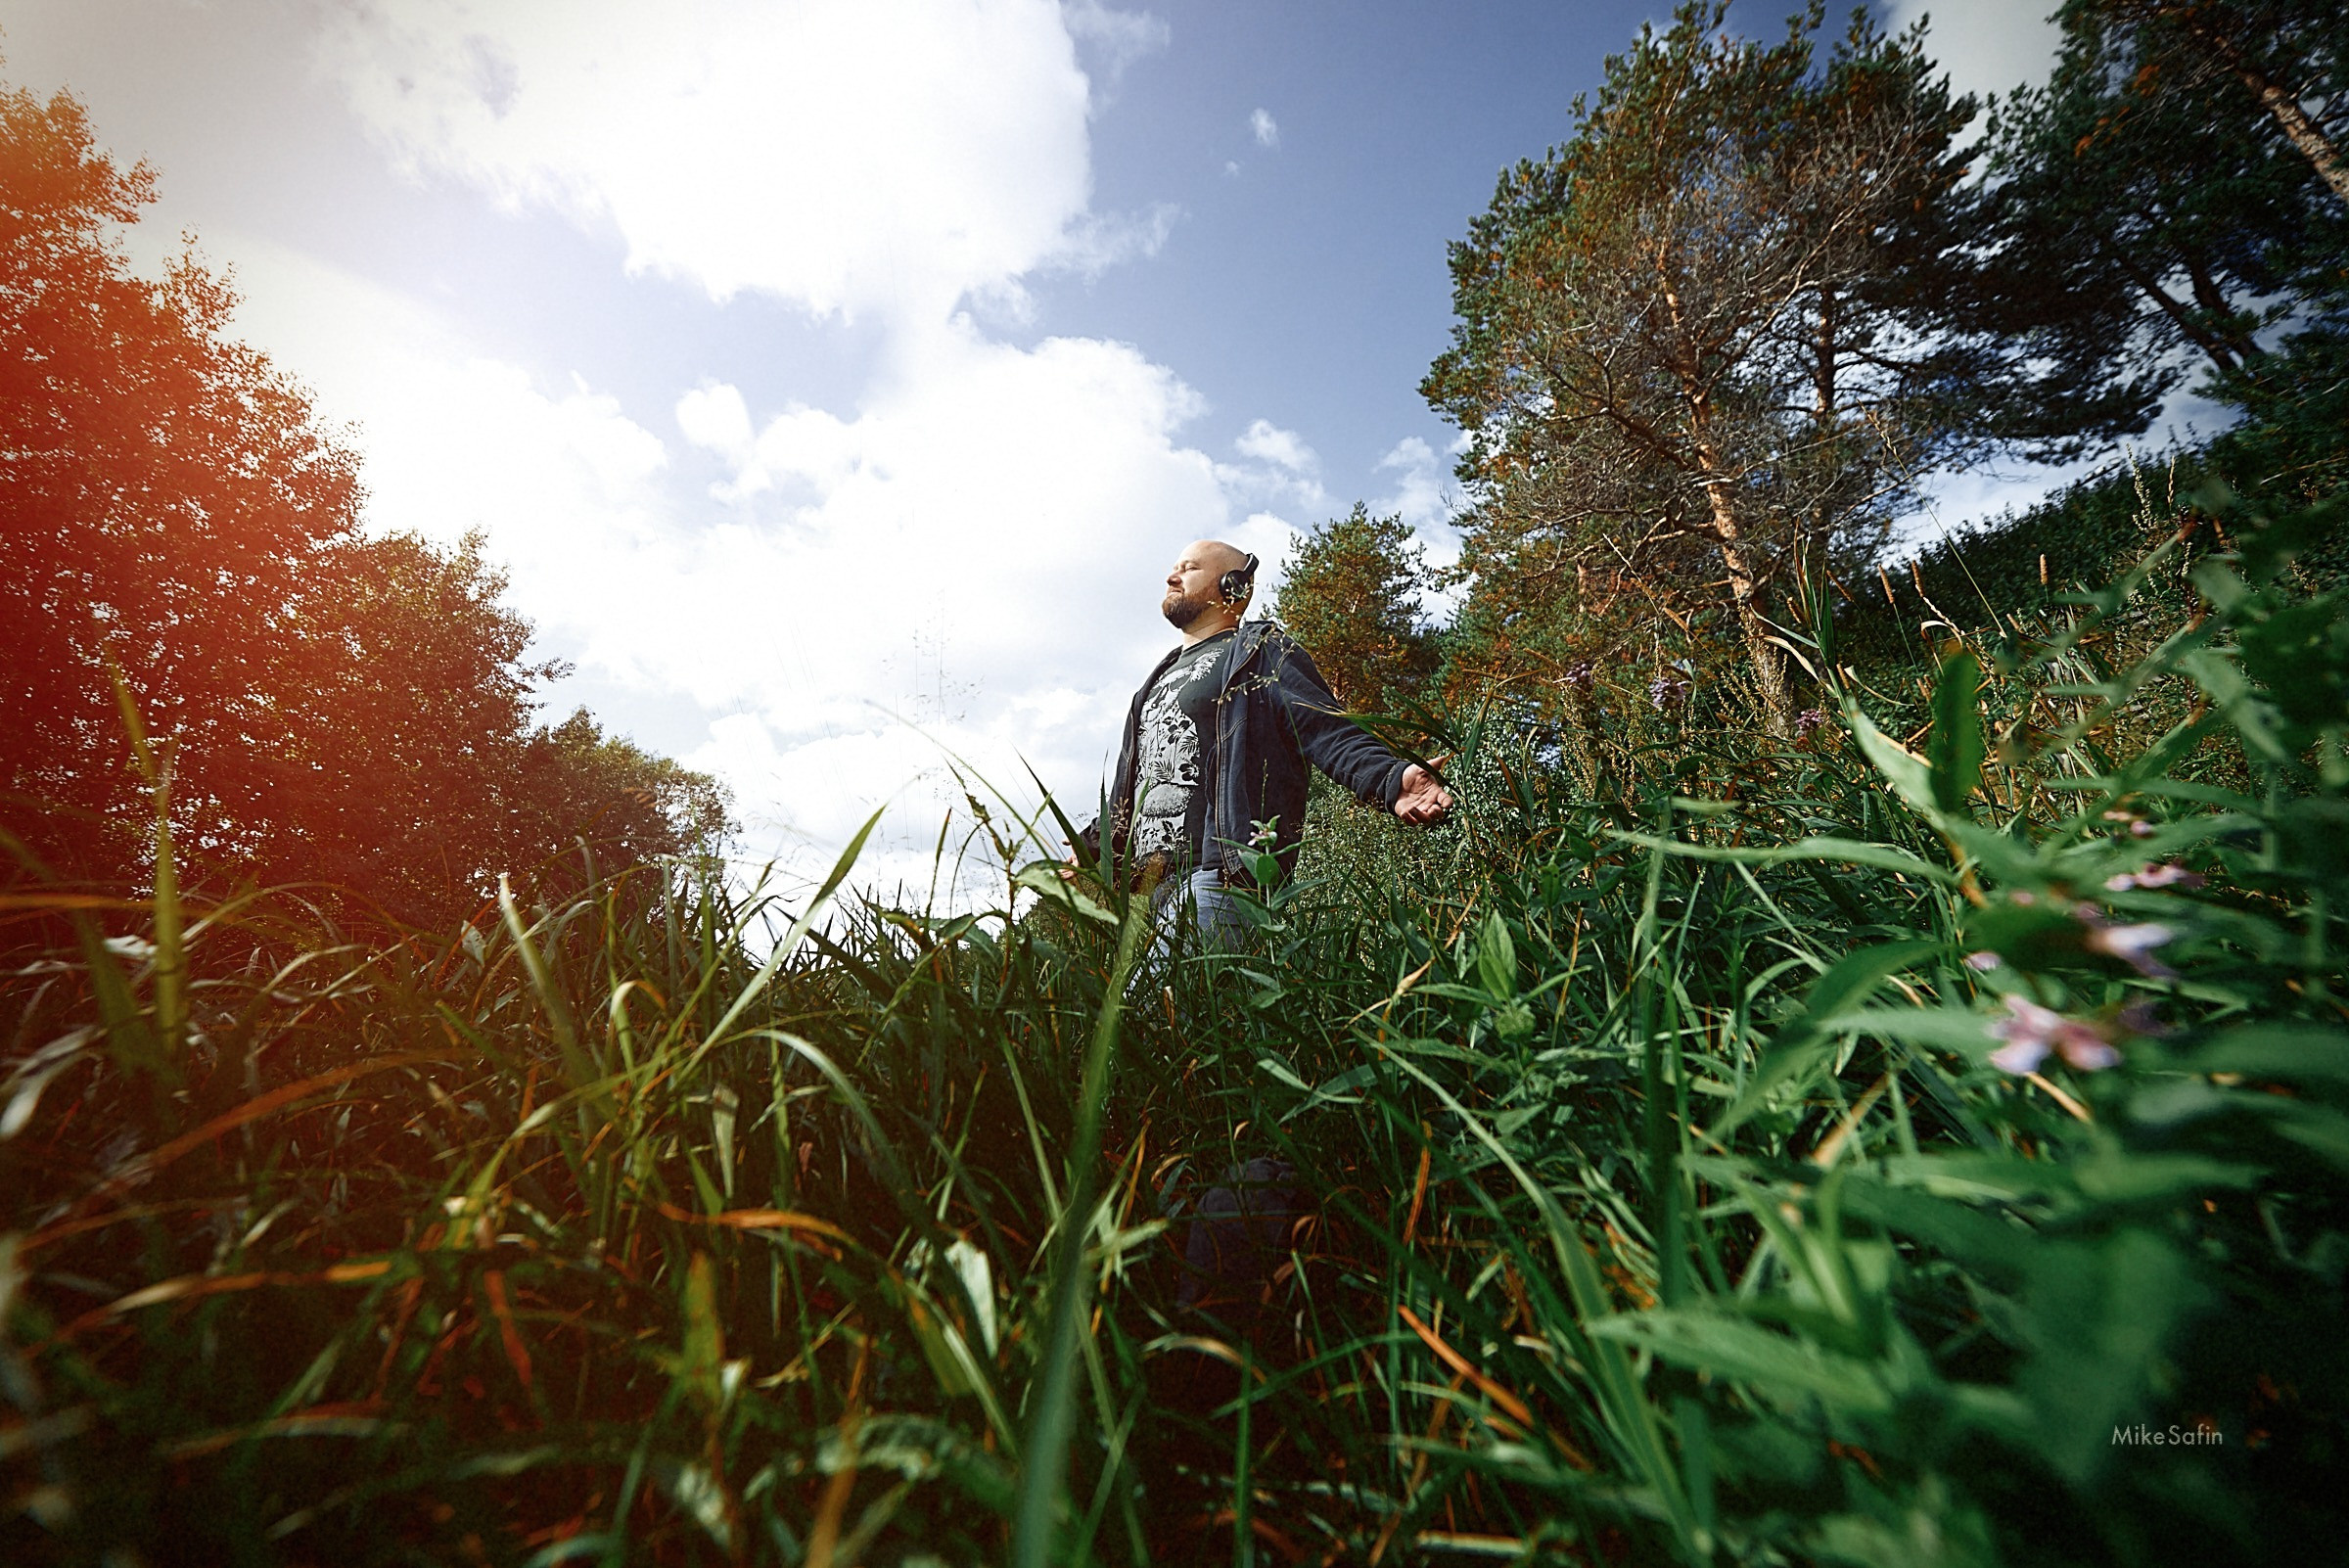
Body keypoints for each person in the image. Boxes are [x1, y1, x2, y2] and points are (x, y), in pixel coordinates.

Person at [1074, 538, 1452, 947]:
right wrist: (1093, 843)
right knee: (1161, 1009)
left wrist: (1391, 779)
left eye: (1189, 567)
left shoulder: (1260, 651)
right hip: (1152, 891)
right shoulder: (1158, 676)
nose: (1172, 575)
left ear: (1233, 586)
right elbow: (1137, 778)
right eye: (1175, 567)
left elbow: (1323, 727)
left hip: (1221, 875)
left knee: (1156, 1011)